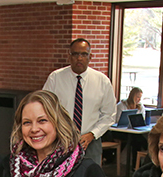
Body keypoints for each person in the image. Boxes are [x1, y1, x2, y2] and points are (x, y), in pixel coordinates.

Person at [42, 38, 116, 166]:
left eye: (84, 54)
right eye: (75, 54)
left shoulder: (102, 81)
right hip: (61, 141)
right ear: (69, 56)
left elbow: (109, 115)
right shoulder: (55, 78)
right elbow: (44, 109)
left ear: (90, 56)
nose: (79, 58)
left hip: (90, 142)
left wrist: (92, 134)